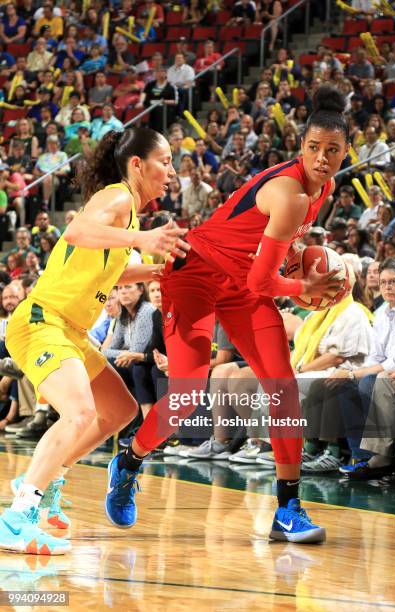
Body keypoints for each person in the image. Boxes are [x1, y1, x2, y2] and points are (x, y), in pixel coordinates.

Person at [105, 85, 349, 544]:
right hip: (194, 272)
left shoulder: (326, 187)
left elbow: (259, 262)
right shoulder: (291, 192)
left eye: (332, 150)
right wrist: (304, 287)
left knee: (283, 387)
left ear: (343, 153)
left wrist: (295, 258)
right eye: (313, 148)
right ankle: (129, 459)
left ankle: (288, 507)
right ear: (301, 148)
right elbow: (264, 281)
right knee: (186, 396)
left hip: (242, 281)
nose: (321, 157)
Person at [0, 126, 189, 555]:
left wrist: (159, 271)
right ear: (137, 164)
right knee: (80, 411)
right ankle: (17, 515)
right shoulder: (118, 196)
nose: (171, 170)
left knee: (119, 409)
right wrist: (142, 241)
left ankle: (47, 482)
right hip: (42, 321)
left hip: (72, 331)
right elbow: (75, 232)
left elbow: (112, 271)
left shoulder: (129, 214)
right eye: (165, 160)